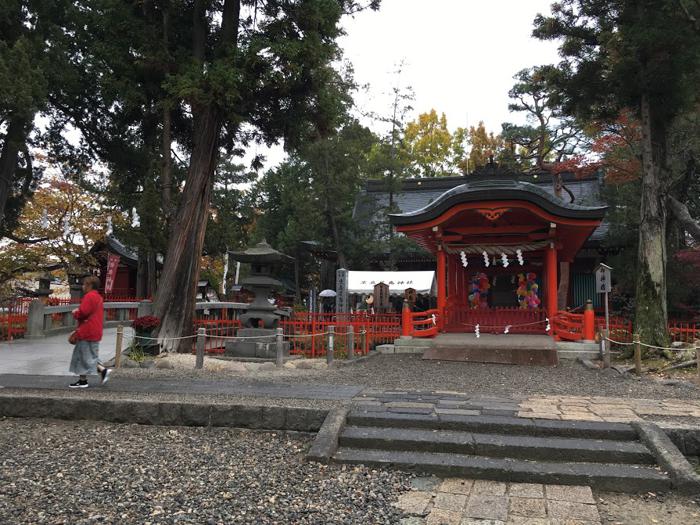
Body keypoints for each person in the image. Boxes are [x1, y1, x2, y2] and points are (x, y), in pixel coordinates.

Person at [68, 275, 111, 388]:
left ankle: (100, 372)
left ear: (90, 285)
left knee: (85, 356)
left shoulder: (89, 296)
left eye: (84, 284)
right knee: (87, 355)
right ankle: (84, 379)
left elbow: (83, 312)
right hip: (94, 330)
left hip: (87, 331)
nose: (83, 286)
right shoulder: (98, 297)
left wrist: (75, 312)